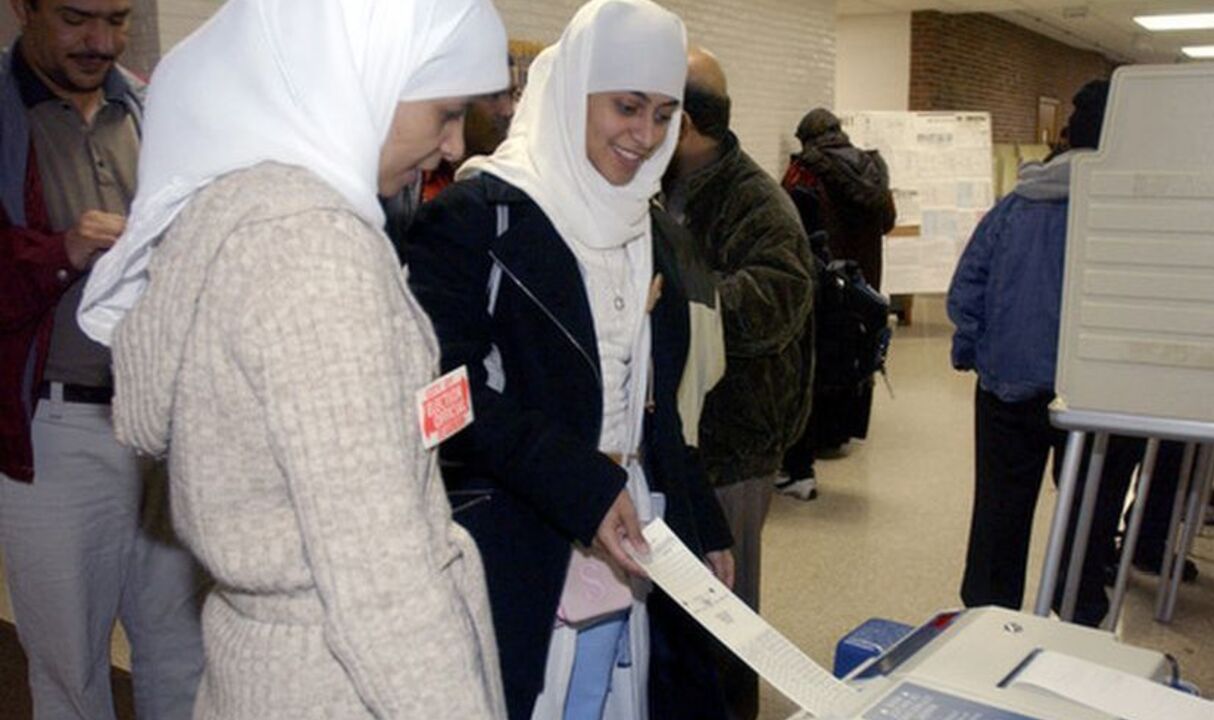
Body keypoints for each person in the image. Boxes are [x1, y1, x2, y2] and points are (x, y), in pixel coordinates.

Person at [75, 0, 510, 716]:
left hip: (264, 666)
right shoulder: (313, 254)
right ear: (365, 78)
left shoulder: (236, 208)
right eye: (446, 113)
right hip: (345, 683)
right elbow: (378, 577)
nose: (456, 147)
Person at [404, 2, 733, 718]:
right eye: (626, 107)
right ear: (575, 88)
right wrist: (568, 477)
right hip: (519, 548)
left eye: (663, 113)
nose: (645, 136)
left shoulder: (646, 226)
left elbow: (654, 407)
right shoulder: (477, 218)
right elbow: (433, 401)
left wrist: (704, 525)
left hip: (631, 542)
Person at [0, 1, 206, 716]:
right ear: (23, 9)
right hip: (55, 433)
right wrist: (61, 251)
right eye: (78, 18)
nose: (102, 41)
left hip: (166, 428)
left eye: (117, 19)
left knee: (182, 656)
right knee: (70, 674)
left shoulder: (153, 109)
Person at [662, 47, 814, 720]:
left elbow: (779, 300)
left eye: (657, 112)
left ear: (689, 124)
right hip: (688, 434)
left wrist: (678, 301)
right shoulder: (668, 181)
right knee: (688, 610)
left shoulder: (757, 201)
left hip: (736, 443)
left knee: (727, 615)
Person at [948, 79, 1119, 625]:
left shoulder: (1017, 203)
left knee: (999, 508)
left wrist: (973, 348)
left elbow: (966, 288)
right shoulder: (1126, 211)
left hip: (1008, 383)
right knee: (1089, 512)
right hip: (1095, 395)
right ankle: (1080, 614)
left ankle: (988, 616)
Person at [777, 107, 896, 500]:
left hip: (825, 277)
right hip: (864, 279)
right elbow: (888, 220)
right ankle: (843, 431)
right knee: (855, 351)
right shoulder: (873, 166)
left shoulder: (806, 170)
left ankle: (812, 448)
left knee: (816, 360)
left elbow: (787, 221)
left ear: (808, 137)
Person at [382, 57, 516, 250]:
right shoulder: (400, 180)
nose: (508, 110)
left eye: (512, 95)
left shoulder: (513, 187)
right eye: (494, 96)